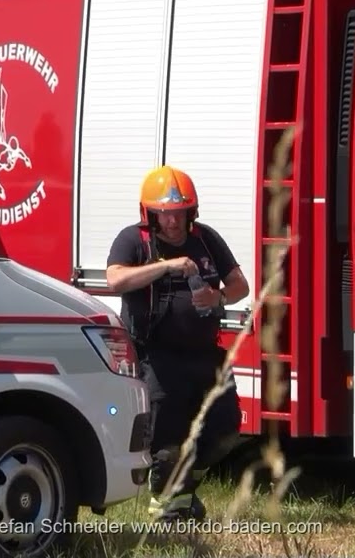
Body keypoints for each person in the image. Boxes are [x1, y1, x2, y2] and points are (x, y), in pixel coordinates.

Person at [106, 165, 250, 521]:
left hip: (206, 355)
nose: (172, 222)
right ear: (150, 214)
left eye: (179, 214)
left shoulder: (206, 239)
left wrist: (218, 298)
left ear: (191, 212)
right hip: (158, 357)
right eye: (164, 215)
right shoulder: (133, 240)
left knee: (225, 429)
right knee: (167, 442)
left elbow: (240, 286)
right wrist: (166, 267)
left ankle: (184, 491)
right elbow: (115, 280)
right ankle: (166, 509)